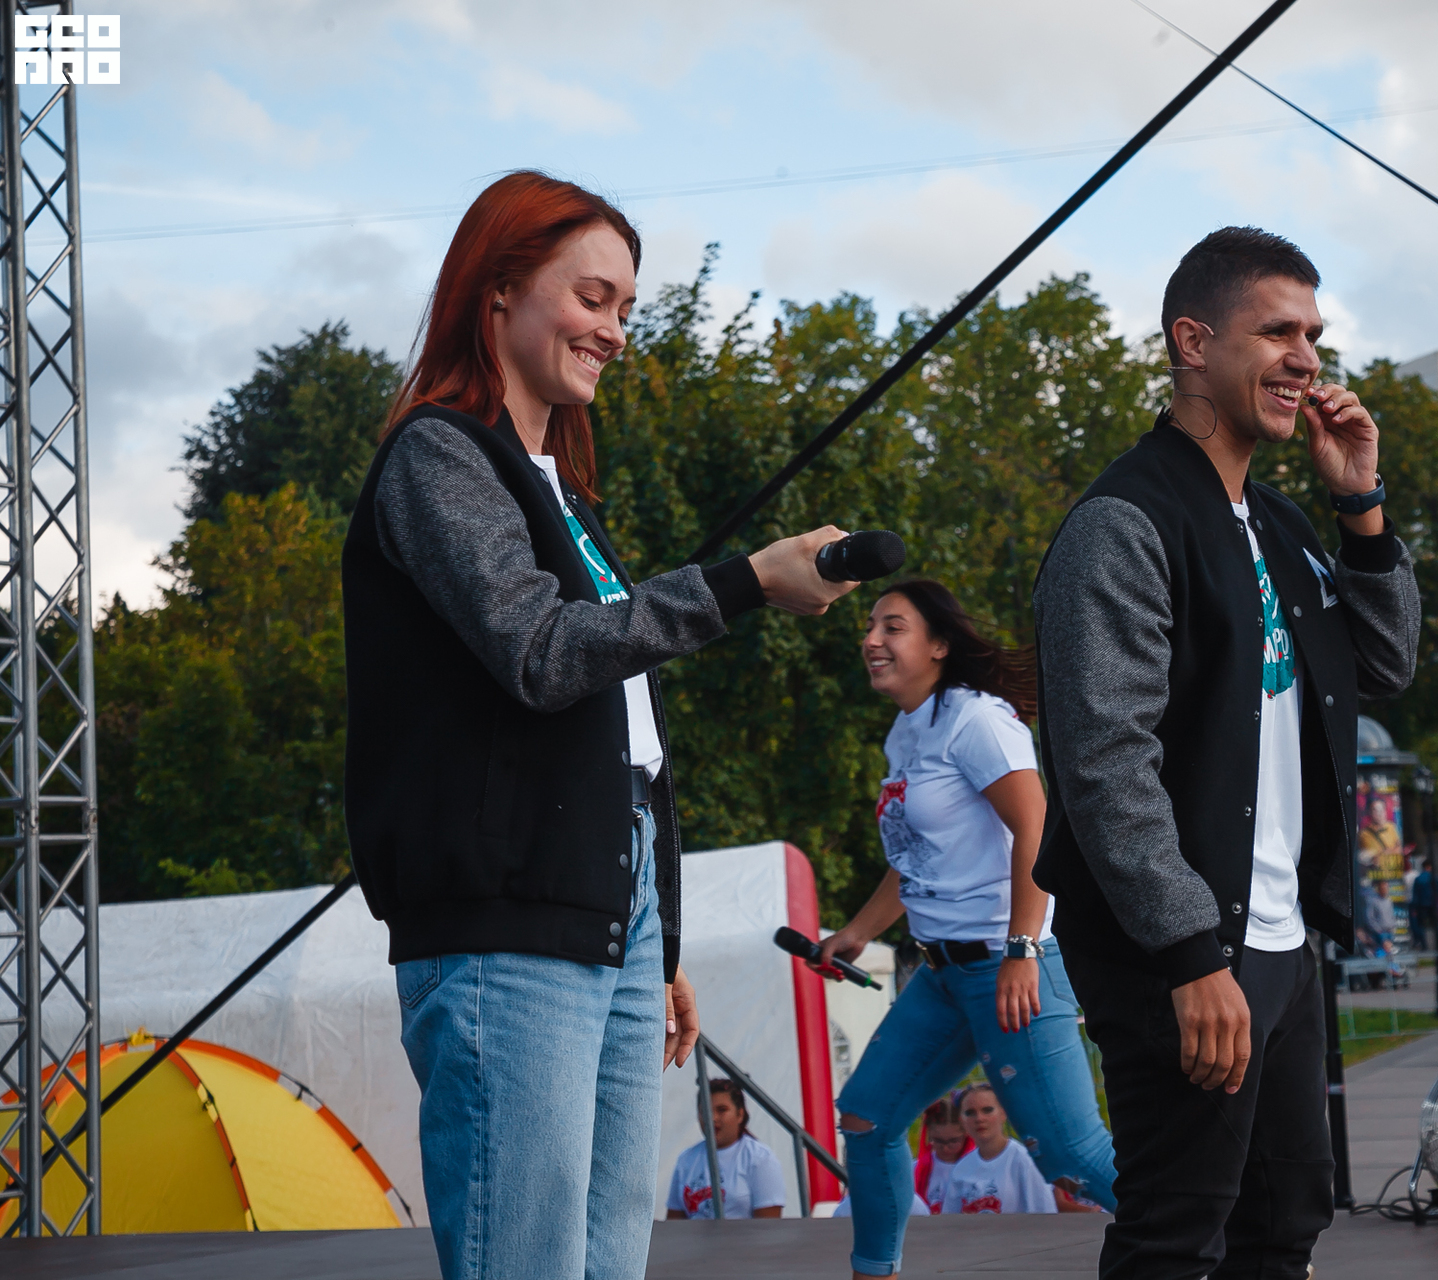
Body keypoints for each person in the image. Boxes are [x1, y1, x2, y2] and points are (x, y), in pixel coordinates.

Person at [341, 171, 858, 1280]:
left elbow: (628, 745)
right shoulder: (440, 455)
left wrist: (655, 943)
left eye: (626, 306)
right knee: (529, 1256)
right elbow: (540, 652)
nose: (615, 330)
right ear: (499, 288)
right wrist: (744, 582)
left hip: (607, 911)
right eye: (592, 297)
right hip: (506, 922)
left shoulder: (567, 497)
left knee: (606, 1254)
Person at [1032, 227, 1421, 1280]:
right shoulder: (1125, 522)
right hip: (1181, 950)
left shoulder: (1280, 524)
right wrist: (1191, 954)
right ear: (1193, 341)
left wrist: (1361, 503)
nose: (1307, 358)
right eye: (1278, 331)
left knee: (1285, 1222)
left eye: (1315, 336)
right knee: (1175, 1231)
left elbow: (1383, 665)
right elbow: (1105, 764)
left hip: (1279, 941)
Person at [818, 579, 1116, 1279]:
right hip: (943, 976)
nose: (871, 640)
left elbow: (1036, 829)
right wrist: (857, 931)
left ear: (939, 646)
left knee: (1071, 1158)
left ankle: (1227, 1254)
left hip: (1007, 967)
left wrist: (1021, 949)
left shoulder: (978, 722)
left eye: (892, 627)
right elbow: (916, 856)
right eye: (870, 626)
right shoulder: (906, 732)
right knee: (867, 1119)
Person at [666, 1078, 785, 1220]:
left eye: (722, 1110)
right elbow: (674, 1222)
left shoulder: (760, 1158)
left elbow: (768, 1228)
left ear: (740, 1114)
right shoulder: (686, 1159)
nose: (713, 1118)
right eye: (705, 1111)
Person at [940, 1084, 1059, 1216]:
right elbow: (949, 1221)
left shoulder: (1025, 1160)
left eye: (987, 1110)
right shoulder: (961, 1169)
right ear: (962, 1121)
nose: (979, 1119)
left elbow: (1044, 1215)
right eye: (970, 1113)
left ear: (1003, 1113)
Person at [1409, 858, 1438, 951]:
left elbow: (1415, 894)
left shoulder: (1418, 879)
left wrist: (1414, 907)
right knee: (1436, 924)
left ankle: (1424, 945)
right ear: (1429, 867)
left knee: (1421, 926)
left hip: (1421, 905)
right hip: (1433, 904)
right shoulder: (1434, 877)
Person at [1363, 878, 1398, 952]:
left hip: (1389, 931)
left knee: (1390, 952)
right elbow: (1369, 917)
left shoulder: (1388, 901)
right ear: (1379, 889)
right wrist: (1378, 930)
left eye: (1386, 888)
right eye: (1383, 888)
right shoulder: (1373, 901)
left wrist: (1393, 926)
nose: (1385, 890)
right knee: (1382, 952)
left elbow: (1391, 915)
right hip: (1380, 932)